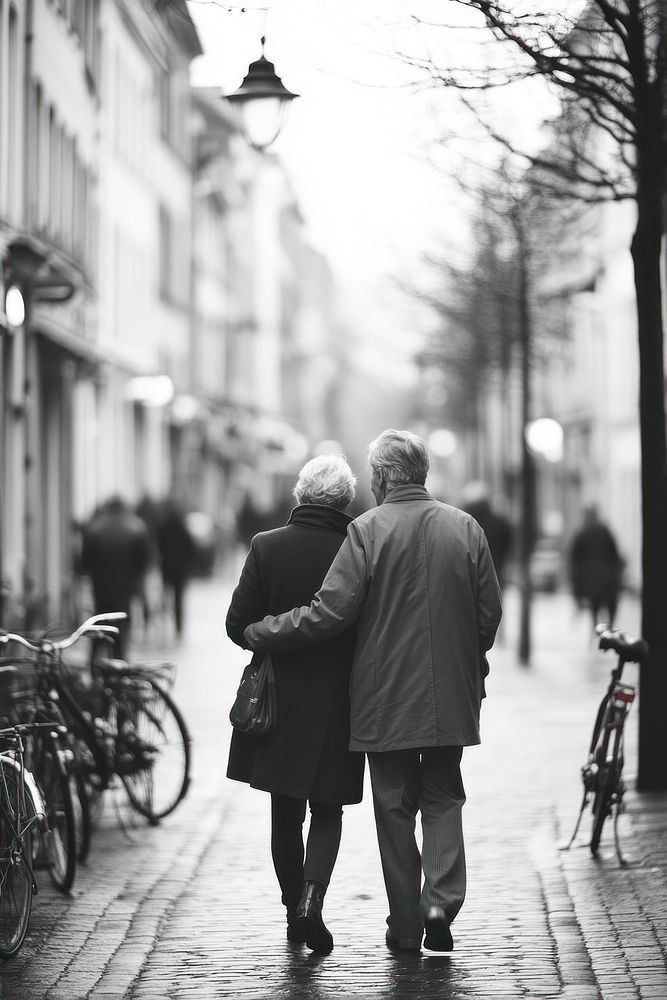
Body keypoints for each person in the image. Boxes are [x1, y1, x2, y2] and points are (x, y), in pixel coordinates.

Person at [244, 429, 502, 954]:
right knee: (445, 794)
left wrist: (262, 631)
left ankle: (407, 925)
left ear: (382, 477)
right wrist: (469, 658)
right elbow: (488, 614)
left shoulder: (366, 531)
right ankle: (440, 903)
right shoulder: (466, 528)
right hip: (451, 692)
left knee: (394, 806)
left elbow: (329, 613)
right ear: (423, 473)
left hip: (385, 697)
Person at [226, 455, 364, 955]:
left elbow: (237, 623)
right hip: (342, 696)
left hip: (278, 698)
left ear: (299, 494)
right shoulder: (359, 544)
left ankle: (293, 910)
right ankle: (311, 900)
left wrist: (268, 634)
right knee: (329, 807)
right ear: (346, 500)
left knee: (286, 812)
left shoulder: (267, 546)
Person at [80, 496, 152, 659]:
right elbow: (144, 561)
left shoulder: (95, 528)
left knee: (99, 627)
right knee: (121, 629)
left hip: (101, 589)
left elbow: (85, 563)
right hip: (125, 589)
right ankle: (119, 664)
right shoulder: (136, 527)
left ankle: (95, 665)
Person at [569, 506, 623, 628]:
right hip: (608, 579)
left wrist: (577, 590)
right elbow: (615, 555)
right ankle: (610, 629)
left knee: (595, 608)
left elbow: (575, 560)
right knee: (610, 607)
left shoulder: (582, 534)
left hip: (591, 580)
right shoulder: (605, 532)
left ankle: (596, 631)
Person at [156, 496, 195, 639]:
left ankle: (163, 627)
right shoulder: (182, 527)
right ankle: (178, 628)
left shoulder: (162, 527)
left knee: (165, 598)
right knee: (179, 600)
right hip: (180, 570)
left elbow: (158, 546)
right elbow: (190, 548)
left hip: (166, 568)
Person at [461, 481, 513, 587]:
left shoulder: (462, 524)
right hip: (495, 569)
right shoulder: (499, 522)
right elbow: (507, 543)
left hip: (469, 574)